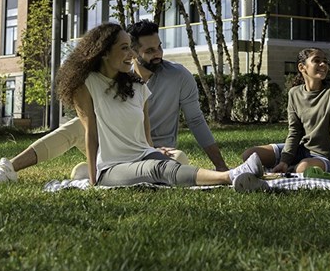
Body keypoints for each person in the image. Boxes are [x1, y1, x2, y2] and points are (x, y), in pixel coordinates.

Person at [0, 19, 227, 183]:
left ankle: (91, 172)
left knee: (179, 159)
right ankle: (9, 168)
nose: (158, 54)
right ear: (134, 52)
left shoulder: (177, 77)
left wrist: (220, 166)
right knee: (77, 125)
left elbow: (195, 121)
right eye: (149, 51)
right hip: (112, 142)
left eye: (159, 48)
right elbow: (92, 126)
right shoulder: (108, 78)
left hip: (153, 149)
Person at [48, 22, 266, 191]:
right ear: (104, 52)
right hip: (111, 167)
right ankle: (232, 176)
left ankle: (237, 177)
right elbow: (91, 134)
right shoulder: (86, 84)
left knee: (171, 166)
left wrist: (154, 151)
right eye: (125, 48)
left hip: (143, 155)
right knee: (158, 169)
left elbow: (146, 137)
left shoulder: (137, 86)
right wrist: (95, 180)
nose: (131, 55)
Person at [241, 47, 330, 174]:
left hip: (325, 156)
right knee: (250, 155)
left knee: (303, 168)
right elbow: (295, 131)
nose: (323, 64)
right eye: (317, 61)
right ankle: (289, 166)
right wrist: (284, 161)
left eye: (325, 61)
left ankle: (292, 169)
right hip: (300, 150)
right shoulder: (294, 93)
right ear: (302, 67)